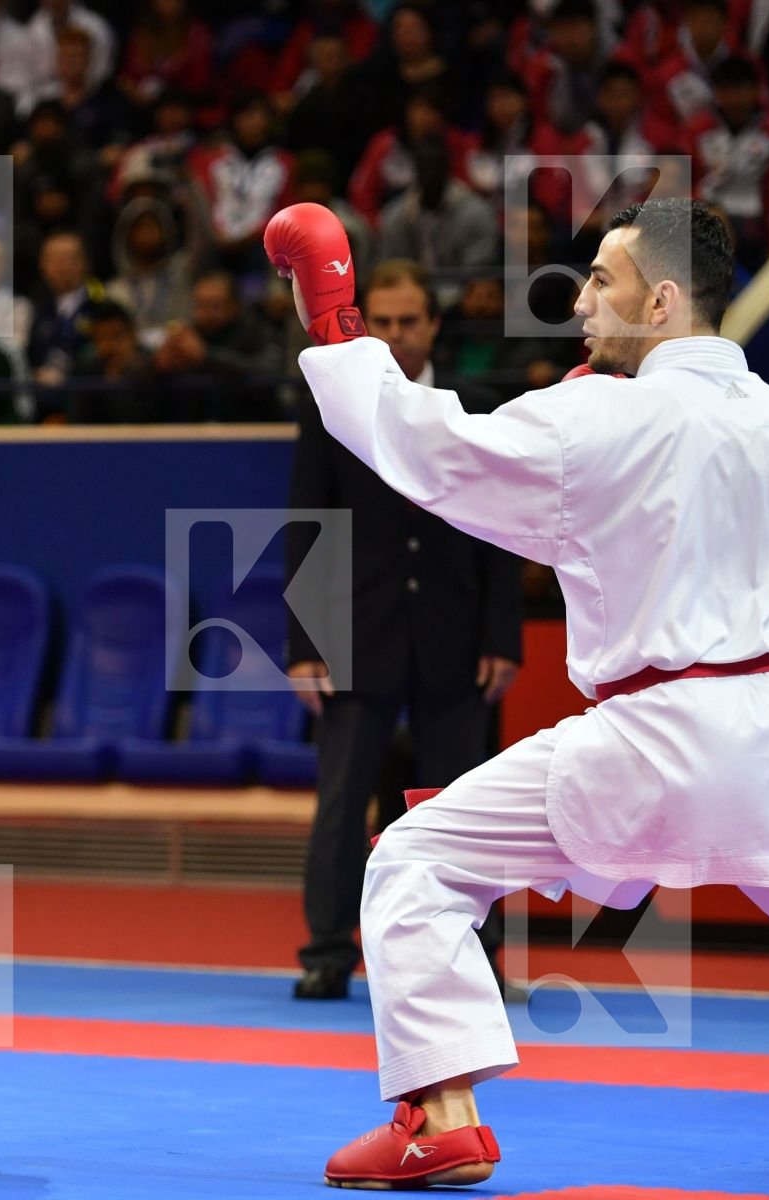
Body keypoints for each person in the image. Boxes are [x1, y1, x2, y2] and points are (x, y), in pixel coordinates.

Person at [265, 196, 769, 1188]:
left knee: (413, 862)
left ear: (658, 298)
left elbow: (428, 447)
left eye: (600, 283)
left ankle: (443, 1116)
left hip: (652, 736)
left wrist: (333, 319)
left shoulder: (607, 410)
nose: (581, 307)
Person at [285, 259, 523, 1002]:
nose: (393, 334)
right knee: (339, 803)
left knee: (469, 809)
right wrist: (304, 645)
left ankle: (476, 953)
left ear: (434, 325)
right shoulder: (333, 408)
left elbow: (501, 525)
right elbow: (307, 525)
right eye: (379, 322)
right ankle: (326, 952)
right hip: (358, 633)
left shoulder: (474, 403)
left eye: (407, 321)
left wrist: (503, 635)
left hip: (455, 635)